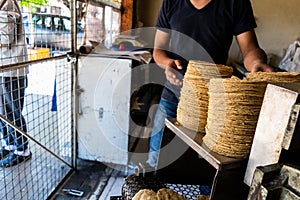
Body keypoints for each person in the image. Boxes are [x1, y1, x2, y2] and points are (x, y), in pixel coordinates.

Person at [146, 0, 274, 170]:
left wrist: (256, 64)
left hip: (213, 105)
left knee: (206, 169)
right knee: (155, 161)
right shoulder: (171, 2)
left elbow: (249, 48)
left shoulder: (235, 3)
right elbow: (158, 50)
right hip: (173, 97)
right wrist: (167, 63)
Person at [0, 0, 31, 167]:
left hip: (10, 68)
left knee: (11, 111)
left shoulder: (6, 2)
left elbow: (5, 39)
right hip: (4, 67)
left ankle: (21, 150)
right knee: (2, 112)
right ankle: (9, 145)